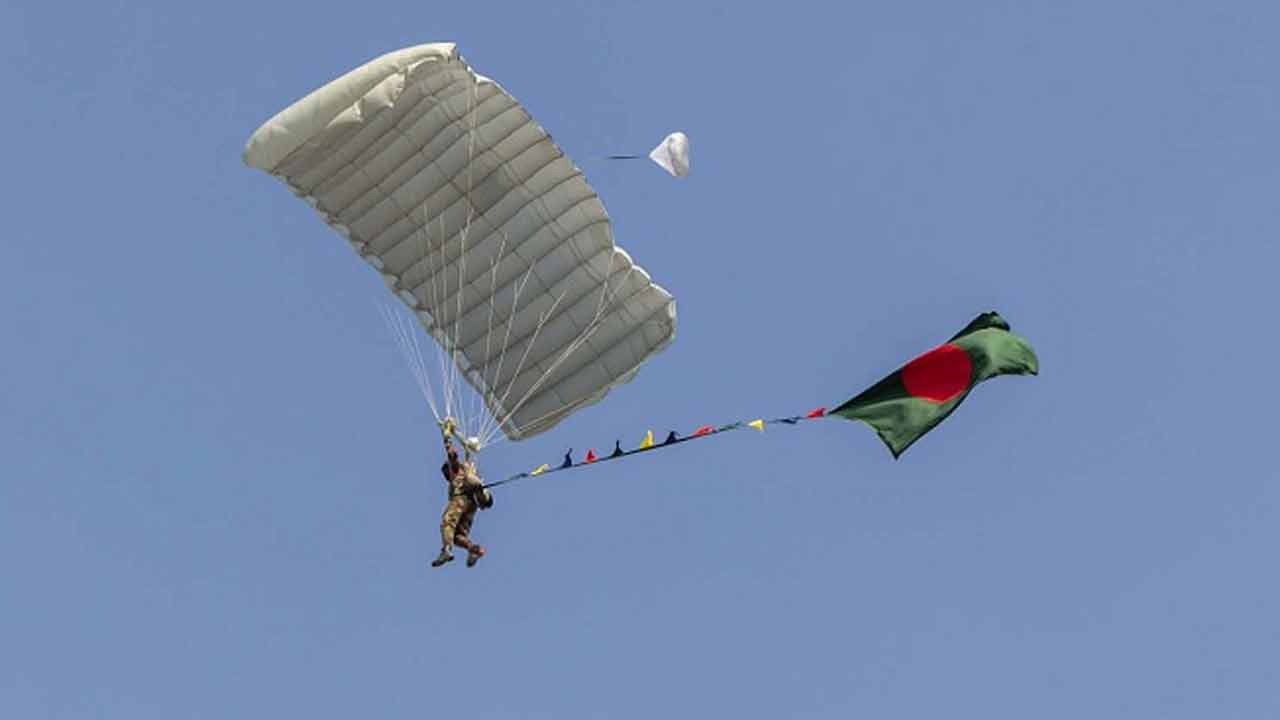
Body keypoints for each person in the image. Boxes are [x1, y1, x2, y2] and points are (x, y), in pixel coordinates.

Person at [431, 419, 487, 568]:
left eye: (445, 473)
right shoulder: (469, 466)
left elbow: (453, 454)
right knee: (458, 536)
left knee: (448, 522)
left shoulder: (457, 470)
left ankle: (446, 550)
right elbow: (468, 453)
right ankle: (472, 549)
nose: (446, 476)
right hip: (472, 503)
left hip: (461, 499)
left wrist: (447, 437)